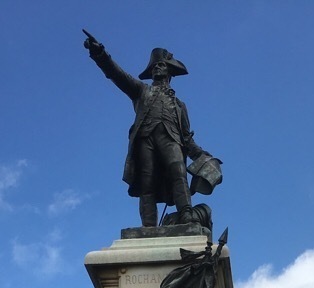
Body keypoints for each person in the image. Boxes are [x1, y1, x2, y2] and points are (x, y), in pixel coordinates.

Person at [84, 33, 218, 227]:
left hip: (171, 139)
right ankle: (148, 226)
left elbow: (187, 138)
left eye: (161, 65)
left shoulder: (179, 105)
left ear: (170, 71)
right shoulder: (141, 91)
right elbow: (117, 75)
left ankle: (187, 215)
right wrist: (100, 55)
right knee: (147, 183)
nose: (157, 67)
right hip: (145, 139)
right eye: (154, 66)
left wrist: (200, 154)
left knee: (178, 170)